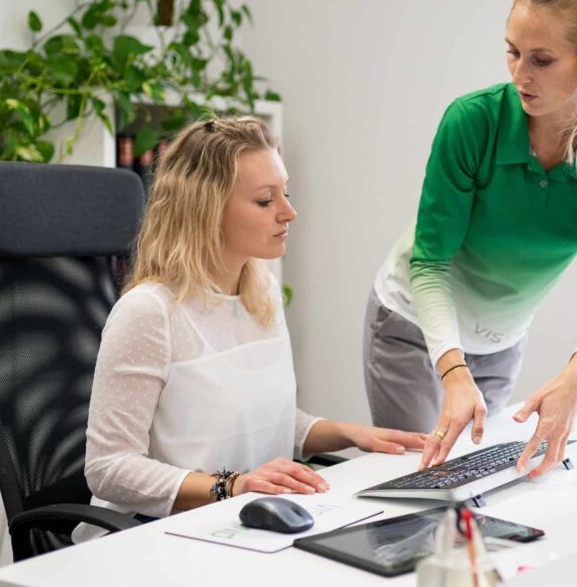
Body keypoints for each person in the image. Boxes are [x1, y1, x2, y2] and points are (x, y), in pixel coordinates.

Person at [363, 0, 577, 479]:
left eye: (541, 60)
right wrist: (453, 370)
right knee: (420, 485)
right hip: (414, 324)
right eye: (512, 53)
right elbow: (430, 264)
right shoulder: (471, 123)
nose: (520, 75)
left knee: (481, 489)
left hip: (501, 343)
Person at [75, 117, 425, 543]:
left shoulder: (263, 292)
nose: (289, 212)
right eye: (264, 201)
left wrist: (351, 433)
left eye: (286, 193)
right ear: (206, 210)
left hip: (241, 527)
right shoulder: (148, 313)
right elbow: (109, 468)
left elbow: (260, 420)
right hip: (153, 537)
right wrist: (230, 485)